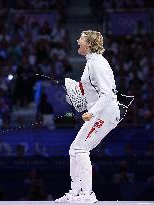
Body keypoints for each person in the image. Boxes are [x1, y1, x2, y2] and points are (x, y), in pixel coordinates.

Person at [55, 30, 120, 203]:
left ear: (89, 44)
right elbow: (95, 92)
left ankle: (87, 194)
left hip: (105, 113)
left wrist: (92, 112)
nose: (78, 41)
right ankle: (75, 193)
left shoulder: (97, 63)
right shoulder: (91, 62)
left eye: (81, 39)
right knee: (74, 149)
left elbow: (107, 94)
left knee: (81, 149)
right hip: (100, 112)